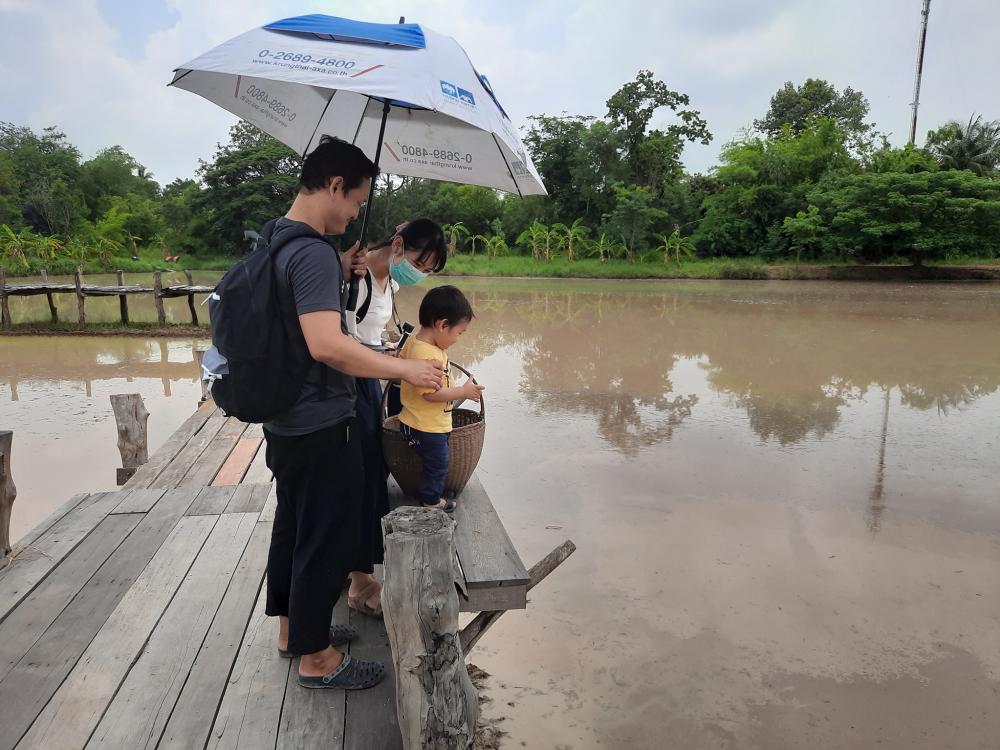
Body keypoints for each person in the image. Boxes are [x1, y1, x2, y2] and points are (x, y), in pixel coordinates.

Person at [262, 135, 443, 691]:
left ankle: (296, 631)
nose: (355, 212)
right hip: (321, 416)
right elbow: (326, 344)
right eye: (356, 200)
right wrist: (405, 371)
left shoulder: (275, 239)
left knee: (294, 524)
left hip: (285, 413)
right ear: (335, 186)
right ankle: (318, 659)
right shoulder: (314, 251)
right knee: (322, 533)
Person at [346, 219, 449, 619]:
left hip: (372, 384)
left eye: (429, 269)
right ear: (398, 244)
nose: (420, 272)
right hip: (349, 389)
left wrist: (394, 357)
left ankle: (355, 571)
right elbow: (341, 342)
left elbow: (369, 339)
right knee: (360, 480)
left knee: (373, 477)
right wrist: (393, 366)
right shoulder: (355, 279)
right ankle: (359, 582)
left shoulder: (390, 283)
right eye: (420, 261)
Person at [397, 285, 485, 513]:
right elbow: (431, 394)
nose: (457, 339)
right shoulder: (426, 354)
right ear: (442, 325)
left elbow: (400, 361)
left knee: (433, 462)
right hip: (426, 426)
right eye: (458, 333)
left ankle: (428, 493)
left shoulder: (418, 343)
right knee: (437, 464)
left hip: (421, 421)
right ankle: (431, 501)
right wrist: (463, 392)